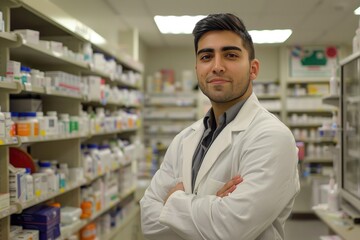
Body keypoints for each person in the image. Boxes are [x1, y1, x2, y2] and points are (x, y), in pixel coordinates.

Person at [140, 13, 300, 240]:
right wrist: (212, 202)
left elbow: (233, 229)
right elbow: (148, 220)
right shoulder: (184, 138)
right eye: (206, 57)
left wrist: (173, 201)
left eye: (231, 55)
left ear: (253, 69)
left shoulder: (272, 137)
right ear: (197, 69)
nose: (217, 66)